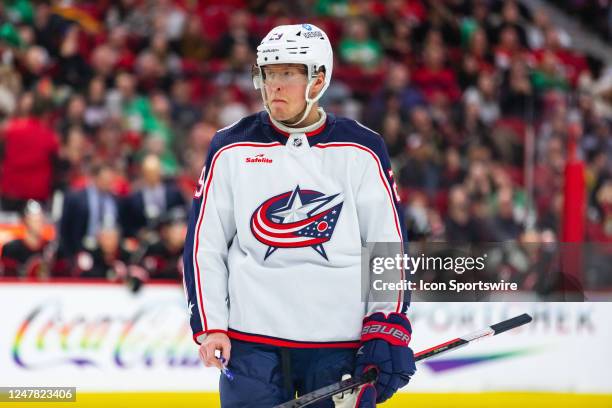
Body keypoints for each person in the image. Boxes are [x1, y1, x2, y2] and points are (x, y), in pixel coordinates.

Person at [183, 24, 415, 408]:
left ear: (318, 78)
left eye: (288, 73)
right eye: (269, 73)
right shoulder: (230, 147)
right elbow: (203, 247)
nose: (274, 85)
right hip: (251, 344)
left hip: (338, 346)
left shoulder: (363, 149)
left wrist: (384, 326)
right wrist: (211, 327)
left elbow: (386, 247)